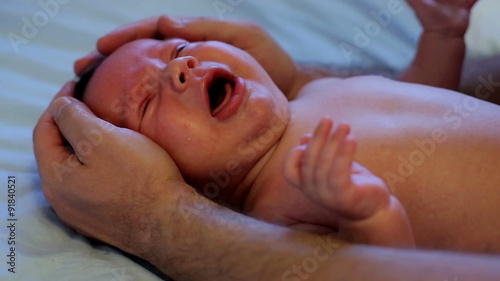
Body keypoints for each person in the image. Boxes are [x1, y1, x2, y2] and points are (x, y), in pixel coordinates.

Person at [33, 9, 500, 281]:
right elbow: (383, 271)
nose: (181, 68)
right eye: (146, 102)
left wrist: (442, 38)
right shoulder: (278, 207)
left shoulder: (311, 90)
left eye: (177, 50)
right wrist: (372, 217)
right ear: (152, 168)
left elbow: (429, 93)